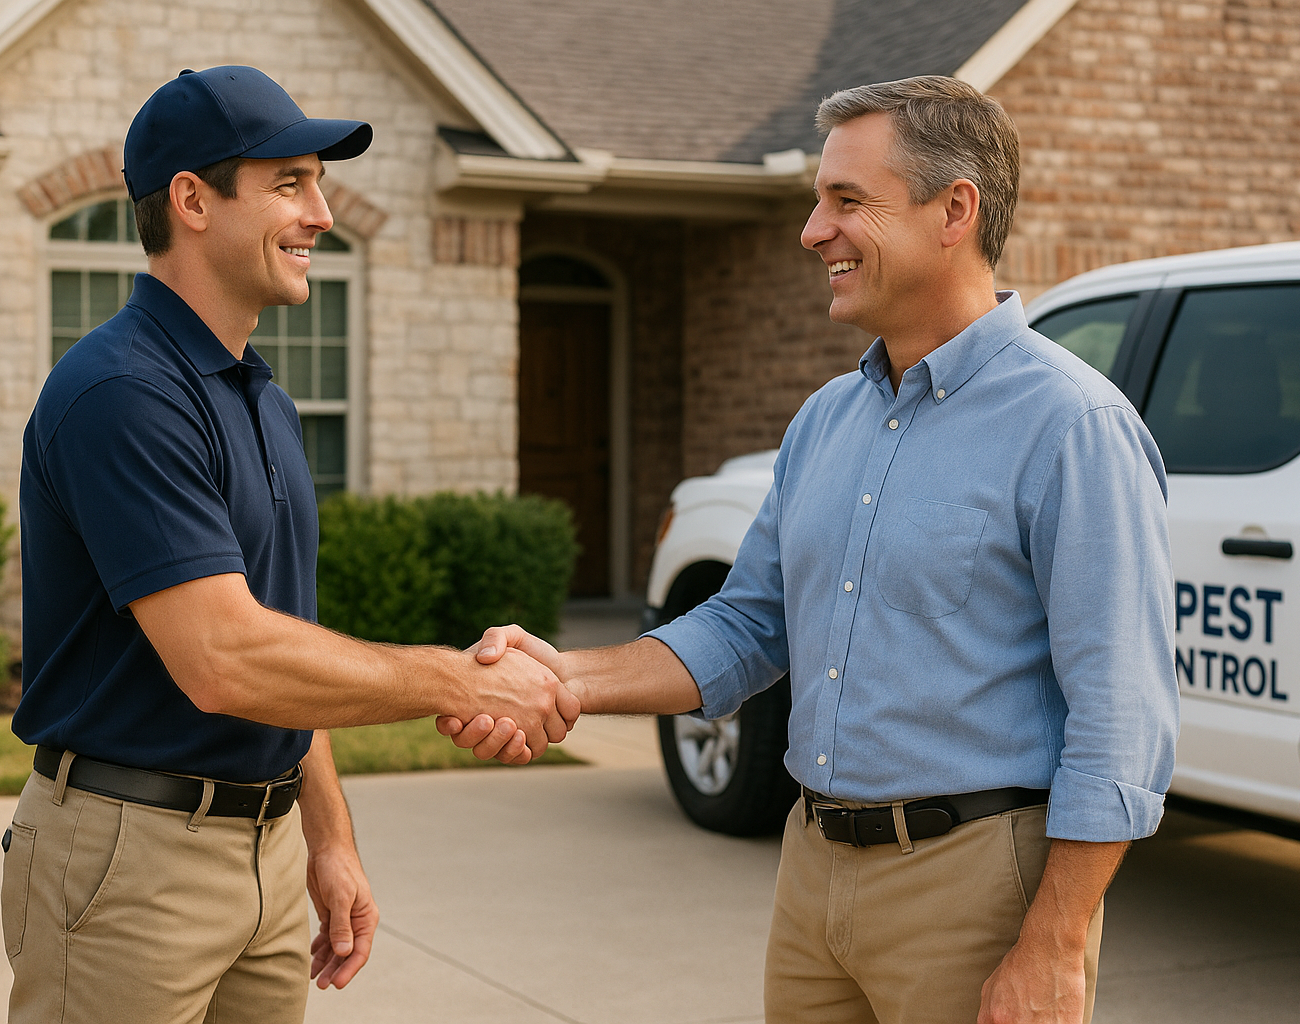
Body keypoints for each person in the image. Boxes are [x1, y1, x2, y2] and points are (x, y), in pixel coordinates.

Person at [448, 76, 1179, 1024]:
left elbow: (1123, 715)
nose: (810, 231)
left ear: (954, 209)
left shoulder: (1073, 426)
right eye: (816, 201)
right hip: (813, 873)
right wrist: (569, 678)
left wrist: (1057, 941)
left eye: (846, 201)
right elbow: (750, 625)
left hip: (976, 889)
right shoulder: (828, 419)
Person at [4, 66, 577, 1024]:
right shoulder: (122, 393)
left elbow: (280, 640)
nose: (321, 212)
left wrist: (327, 835)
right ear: (191, 199)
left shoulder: (260, 397)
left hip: (262, 854)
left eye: (317, 183)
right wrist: (467, 681)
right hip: (129, 861)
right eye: (288, 184)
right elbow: (226, 659)